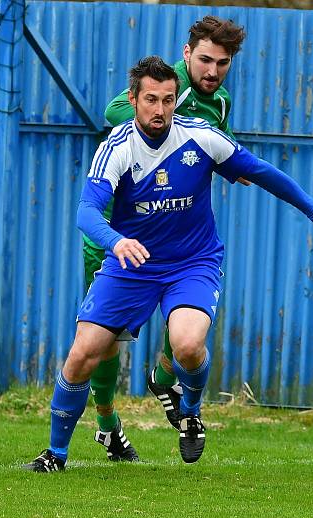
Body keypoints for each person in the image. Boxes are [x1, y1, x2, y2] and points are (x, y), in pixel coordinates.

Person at [22, 56, 313, 472]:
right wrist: (116, 242)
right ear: (132, 100)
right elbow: (86, 212)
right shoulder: (116, 148)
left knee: (187, 346)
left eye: (168, 100)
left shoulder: (202, 137)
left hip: (192, 262)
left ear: (176, 101)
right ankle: (56, 455)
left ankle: (190, 410)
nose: (159, 110)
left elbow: (261, 172)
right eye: (150, 100)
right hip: (131, 265)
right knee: (83, 352)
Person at [84, 16, 249, 462]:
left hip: (176, 233)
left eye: (223, 63)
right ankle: (107, 425)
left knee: (186, 322)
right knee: (104, 344)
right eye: (205, 60)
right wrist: (173, 120)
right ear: (186, 54)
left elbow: (219, 145)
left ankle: (163, 375)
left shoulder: (221, 102)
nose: (213, 71)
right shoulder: (165, 90)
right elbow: (116, 113)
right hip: (122, 234)